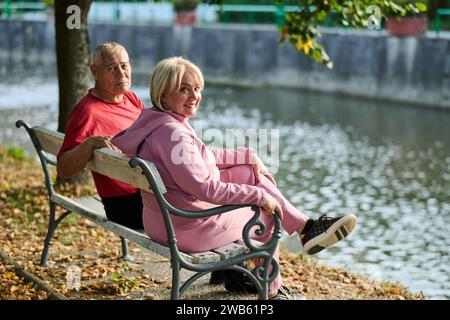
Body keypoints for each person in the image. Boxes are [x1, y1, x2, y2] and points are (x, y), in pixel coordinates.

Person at [112, 57, 357, 299]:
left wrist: (247, 156)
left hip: (164, 220)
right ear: (163, 95)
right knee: (267, 215)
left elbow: (200, 156)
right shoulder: (173, 132)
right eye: (184, 89)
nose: (194, 96)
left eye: (197, 89)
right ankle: (271, 288)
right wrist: (260, 196)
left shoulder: (156, 122)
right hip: (186, 227)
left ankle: (306, 228)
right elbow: (205, 188)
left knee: (248, 173)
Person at [57, 42, 145, 229]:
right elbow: (64, 169)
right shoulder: (87, 112)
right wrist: (89, 144)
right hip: (126, 206)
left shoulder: (131, 98)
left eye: (124, 66)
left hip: (146, 192)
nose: (121, 74)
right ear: (95, 72)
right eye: (112, 68)